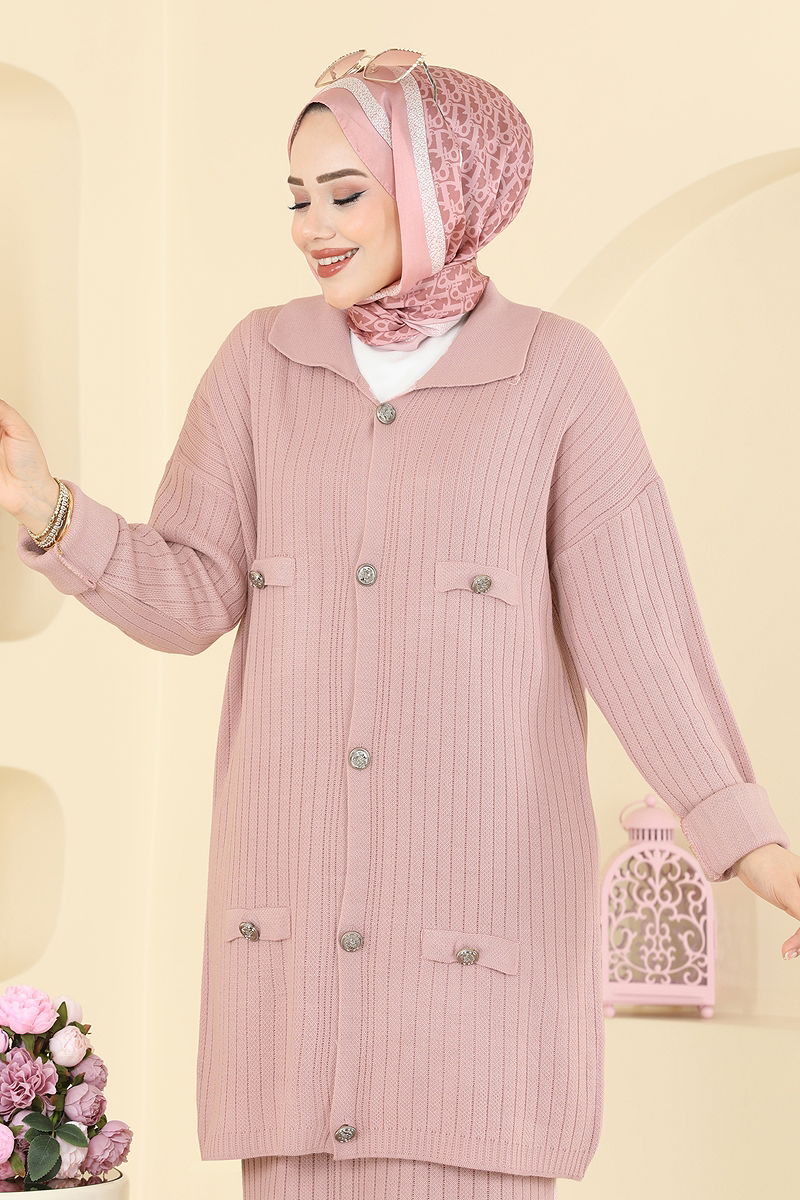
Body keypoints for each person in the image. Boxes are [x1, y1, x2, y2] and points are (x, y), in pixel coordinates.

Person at [1, 51, 798, 1200]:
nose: (311, 227)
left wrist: (754, 848)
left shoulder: (556, 378)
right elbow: (190, 596)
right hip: (293, 988)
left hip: (474, 993)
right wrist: (49, 510)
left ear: (442, 190)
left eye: (344, 193)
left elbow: (640, 635)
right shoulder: (259, 365)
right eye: (296, 197)